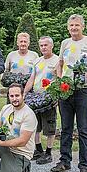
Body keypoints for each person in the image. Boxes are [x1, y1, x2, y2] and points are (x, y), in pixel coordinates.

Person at [50, 14, 87, 172]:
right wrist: (59, 81)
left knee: (83, 129)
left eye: (77, 25)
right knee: (66, 128)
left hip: (84, 91)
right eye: (71, 25)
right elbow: (60, 65)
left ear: (83, 27)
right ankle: (65, 161)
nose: (74, 28)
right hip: (66, 91)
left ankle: (84, 166)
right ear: (68, 28)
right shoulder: (65, 43)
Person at [24, 36, 59, 164]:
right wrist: (24, 93)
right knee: (35, 126)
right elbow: (32, 79)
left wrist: (58, 97)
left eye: (46, 45)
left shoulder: (57, 61)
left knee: (49, 126)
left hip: (49, 99)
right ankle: (38, 150)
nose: (43, 47)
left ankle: (48, 153)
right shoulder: (37, 61)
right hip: (36, 99)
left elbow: (60, 80)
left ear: (51, 46)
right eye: (41, 45)